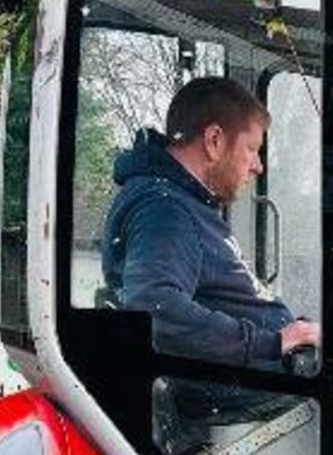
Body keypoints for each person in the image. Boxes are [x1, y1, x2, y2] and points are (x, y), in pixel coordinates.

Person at [101, 76, 319, 366]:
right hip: (244, 402)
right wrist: (274, 342)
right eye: (252, 149)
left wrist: (290, 331)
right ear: (214, 141)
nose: (258, 166)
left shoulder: (184, 201)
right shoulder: (166, 210)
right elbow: (154, 307)